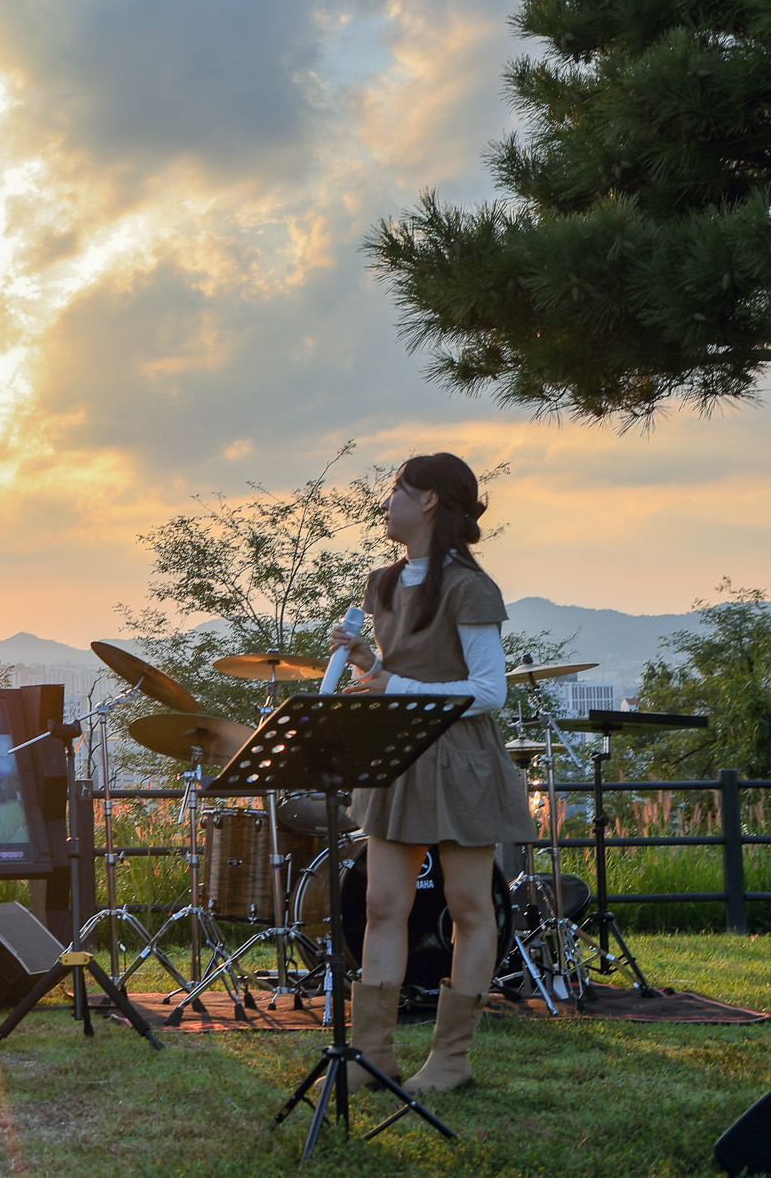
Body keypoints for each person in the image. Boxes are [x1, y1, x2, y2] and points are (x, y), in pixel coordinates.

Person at [330, 453, 530, 1095]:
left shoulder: (470, 586)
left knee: (471, 908)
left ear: (430, 503)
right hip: (401, 756)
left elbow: (490, 691)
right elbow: (403, 669)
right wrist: (368, 663)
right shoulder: (382, 583)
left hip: (460, 760)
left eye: (397, 490)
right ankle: (372, 1057)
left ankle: (451, 1061)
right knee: (383, 905)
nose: (385, 501)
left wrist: (397, 684)